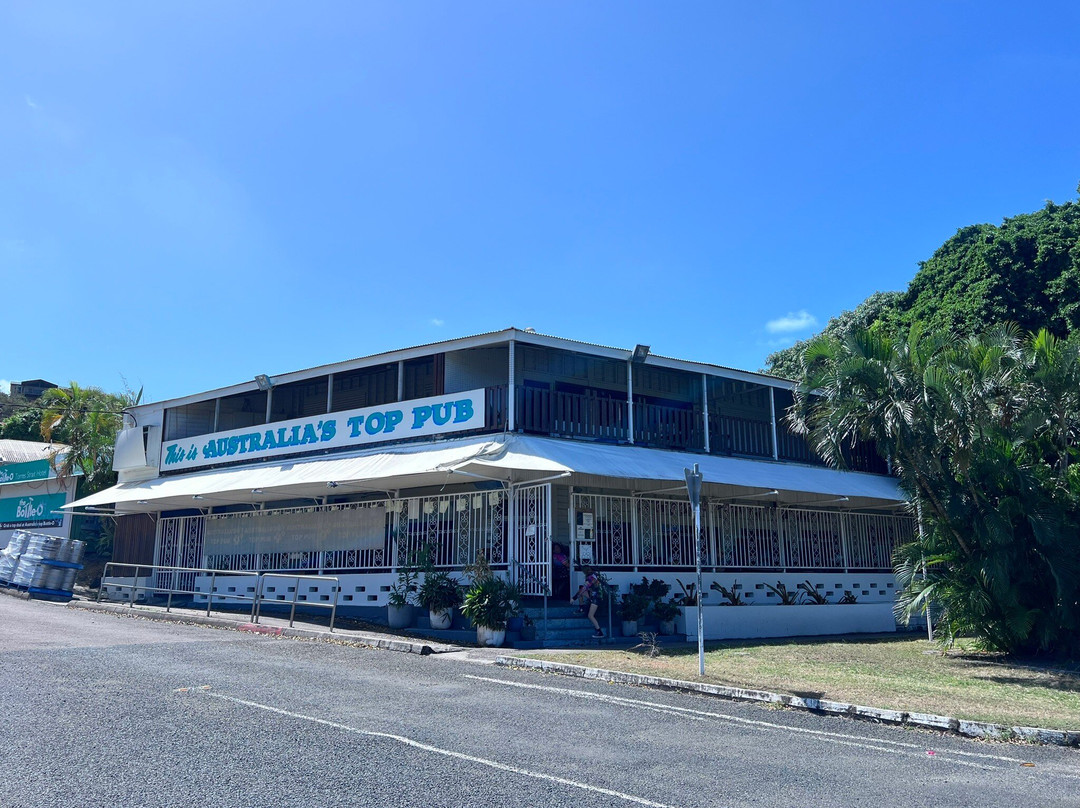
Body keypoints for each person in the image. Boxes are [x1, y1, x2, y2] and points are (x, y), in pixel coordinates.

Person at [571, 567, 604, 638]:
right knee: (581, 591)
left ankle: (599, 631)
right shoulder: (594, 575)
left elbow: (584, 588)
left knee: (590, 615)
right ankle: (581, 608)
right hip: (594, 595)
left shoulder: (590, 578)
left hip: (596, 598)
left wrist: (574, 598)